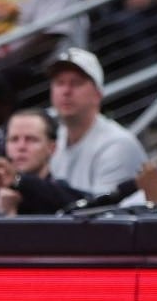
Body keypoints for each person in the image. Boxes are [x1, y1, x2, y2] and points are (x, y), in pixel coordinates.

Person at [47, 48, 148, 195]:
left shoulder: (118, 144)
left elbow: (101, 212)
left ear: (97, 94)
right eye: (59, 83)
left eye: (76, 83)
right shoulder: (56, 137)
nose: (66, 91)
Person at [0, 109, 86, 216]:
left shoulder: (62, 195)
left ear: (52, 148)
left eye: (31, 139)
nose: (21, 147)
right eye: (14, 139)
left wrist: (17, 181)